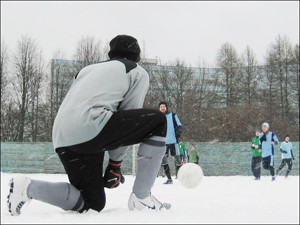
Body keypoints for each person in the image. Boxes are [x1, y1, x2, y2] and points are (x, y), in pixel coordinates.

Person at [7, 34, 171, 216]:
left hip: (62, 136)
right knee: (157, 121)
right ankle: (142, 197)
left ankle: (29, 188)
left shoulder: (87, 70)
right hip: (91, 126)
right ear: (137, 55)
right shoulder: (135, 71)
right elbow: (128, 113)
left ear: (111, 54)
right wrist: (115, 165)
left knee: (92, 203)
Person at [158, 101, 182, 184]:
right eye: (161, 107)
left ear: (166, 107)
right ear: (159, 108)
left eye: (164, 106)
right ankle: (169, 178)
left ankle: (179, 176)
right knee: (163, 160)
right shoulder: (157, 117)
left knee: (178, 160)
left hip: (173, 141)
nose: (162, 108)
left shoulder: (173, 115)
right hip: (163, 142)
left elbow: (179, 125)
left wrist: (178, 132)